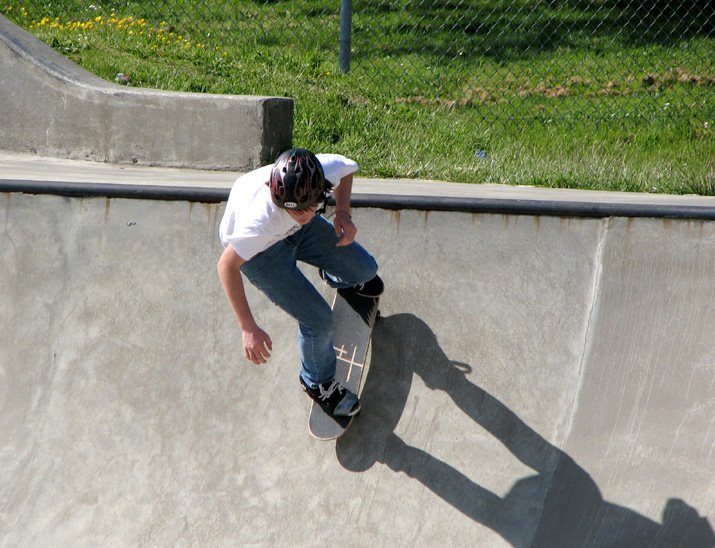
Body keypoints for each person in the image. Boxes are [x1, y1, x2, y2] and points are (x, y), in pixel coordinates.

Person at [217, 148, 383, 417]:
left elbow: (347, 169)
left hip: (299, 233)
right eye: (295, 212)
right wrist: (247, 327)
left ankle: (333, 275)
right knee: (318, 320)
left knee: (365, 270)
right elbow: (226, 266)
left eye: (309, 208)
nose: (302, 215)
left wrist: (343, 212)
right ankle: (316, 382)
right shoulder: (258, 223)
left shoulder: (324, 170)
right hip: (261, 254)